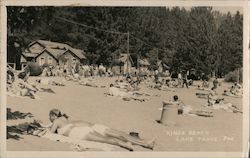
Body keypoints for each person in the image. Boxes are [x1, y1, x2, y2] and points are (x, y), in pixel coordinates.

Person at [44, 109, 155, 151]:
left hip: (81, 132)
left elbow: (50, 133)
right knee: (118, 135)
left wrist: (46, 127)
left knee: (109, 139)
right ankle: (144, 143)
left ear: (53, 116)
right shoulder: (65, 119)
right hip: (87, 129)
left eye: (50, 117)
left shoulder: (57, 122)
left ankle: (130, 145)